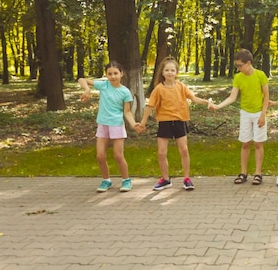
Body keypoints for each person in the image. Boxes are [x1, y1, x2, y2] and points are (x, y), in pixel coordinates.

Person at [139, 57, 211, 191]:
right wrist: (143, 123)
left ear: (176, 72)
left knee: (184, 150)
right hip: (164, 123)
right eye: (167, 70)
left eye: (172, 70)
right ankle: (165, 179)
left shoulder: (181, 86)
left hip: (179, 121)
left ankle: (187, 179)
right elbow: (150, 106)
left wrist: (207, 103)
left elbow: (193, 98)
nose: (170, 72)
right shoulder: (159, 89)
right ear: (162, 72)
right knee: (161, 153)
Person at [78, 61, 143, 193]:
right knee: (100, 156)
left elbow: (127, 112)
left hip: (116, 125)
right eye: (110, 74)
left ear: (121, 74)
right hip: (103, 124)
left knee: (118, 156)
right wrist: (87, 89)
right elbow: (82, 79)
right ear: (106, 75)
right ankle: (106, 180)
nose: (113, 76)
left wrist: (133, 124)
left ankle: (126, 180)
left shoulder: (125, 92)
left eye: (115, 73)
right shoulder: (104, 85)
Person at [209, 49, 269, 185]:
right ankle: (243, 173)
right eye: (236, 66)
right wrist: (218, 106)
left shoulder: (260, 75)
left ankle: (258, 173)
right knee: (245, 143)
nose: (238, 68)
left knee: (258, 144)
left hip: (259, 113)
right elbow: (232, 97)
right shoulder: (238, 78)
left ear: (248, 63)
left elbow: (266, 96)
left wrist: (263, 115)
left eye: (240, 65)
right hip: (245, 114)